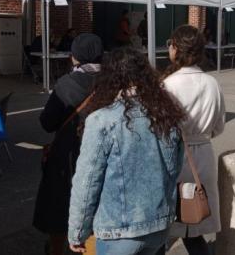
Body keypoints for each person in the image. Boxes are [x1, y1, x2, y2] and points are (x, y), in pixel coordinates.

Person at [68, 47, 186, 255]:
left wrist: (77, 232)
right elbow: (174, 168)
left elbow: (87, 182)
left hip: (118, 230)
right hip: (159, 226)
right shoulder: (167, 114)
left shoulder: (102, 120)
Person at [34, 34, 103, 255]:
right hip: (102, 152)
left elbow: (48, 122)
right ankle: (90, 248)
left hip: (68, 154)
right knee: (95, 204)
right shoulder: (111, 80)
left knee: (60, 206)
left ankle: (58, 248)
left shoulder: (66, 83)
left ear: (75, 57)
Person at [163, 26, 225, 255]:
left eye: (170, 43)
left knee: (168, 223)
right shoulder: (212, 83)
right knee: (195, 222)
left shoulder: (168, 85)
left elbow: (160, 128)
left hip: (175, 157)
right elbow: (219, 126)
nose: (168, 47)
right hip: (204, 156)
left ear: (177, 48)